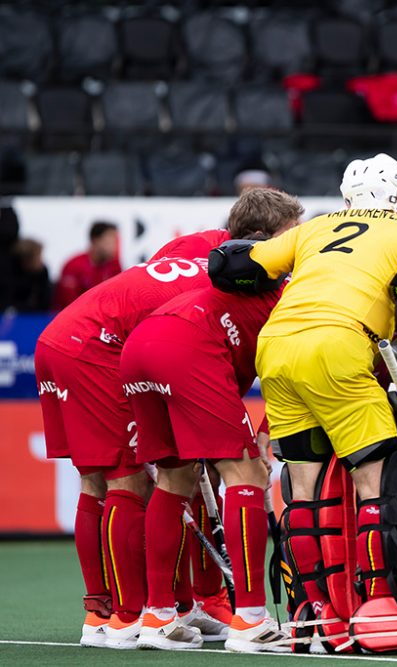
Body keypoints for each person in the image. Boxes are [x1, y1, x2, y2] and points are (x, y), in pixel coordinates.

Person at [210, 153, 397, 653]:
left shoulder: (316, 228)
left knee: (302, 490)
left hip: (276, 349)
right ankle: (378, 607)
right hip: (340, 345)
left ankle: (313, 614)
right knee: (375, 482)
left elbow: (228, 263)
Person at [34, 208, 269, 649]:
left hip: (65, 335)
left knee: (97, 481)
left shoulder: (199, 243)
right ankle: (130, 618)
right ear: (264, 237)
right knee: (130, 480)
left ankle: (105, 613)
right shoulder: (243, 276)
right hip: (100, 348)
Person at [119, 190, 302, 653]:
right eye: (290, 236)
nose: (296, 247)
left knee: (174, 479)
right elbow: (286, 370)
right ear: (262, 241)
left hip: (141, 345)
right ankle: (252, 621)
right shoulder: (279, 288)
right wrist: (264, 435)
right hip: (189, 347)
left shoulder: (223, 268)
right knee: (245, 473)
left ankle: (157, 616)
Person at [53, 221, 121, 310]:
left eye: (116, 241)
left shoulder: (114, 266)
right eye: (110, 241)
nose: (114, 246)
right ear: (95, 241)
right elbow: (69, 304)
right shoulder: (73, 266)